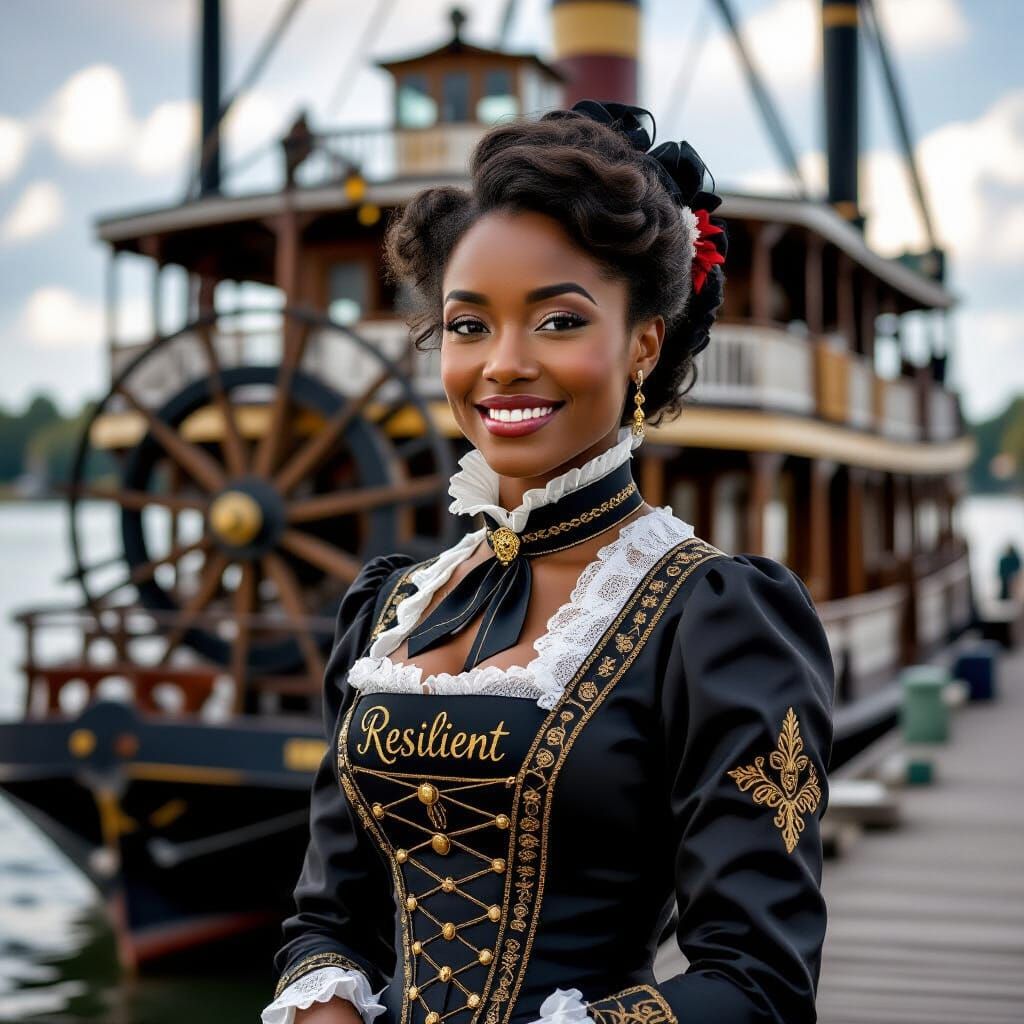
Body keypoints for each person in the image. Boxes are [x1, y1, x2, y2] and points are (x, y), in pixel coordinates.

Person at [261, 100, 835, 1024]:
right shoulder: (389, 609)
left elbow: (758, 980)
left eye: (559, 322)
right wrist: (322, 1004)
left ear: (643, 341)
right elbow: (328, 919)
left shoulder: (715, 617)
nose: (503, 364)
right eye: (468, 324)